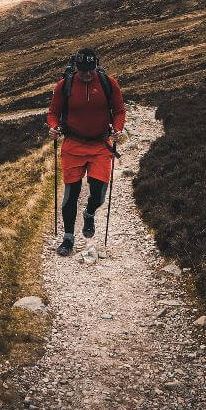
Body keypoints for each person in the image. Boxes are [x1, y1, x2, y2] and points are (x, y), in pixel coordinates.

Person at [47, 47, 126, 256]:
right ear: (76, 68)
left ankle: (89, 212)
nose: (87, 74)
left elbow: (119, 111)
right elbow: (53, 112)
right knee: (70, 194)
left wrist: (117, 129)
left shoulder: (109, 83)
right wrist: (53, 127)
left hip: (100, 145)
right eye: (83, 71)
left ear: (96, 66)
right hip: (73, 145)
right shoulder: (66, 85)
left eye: (91, 69)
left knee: (99, 192)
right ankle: (68, 238)